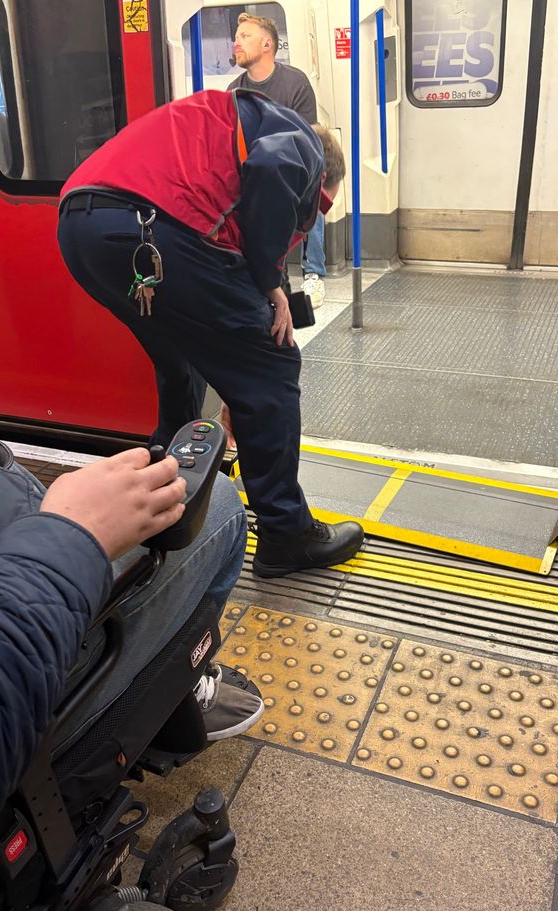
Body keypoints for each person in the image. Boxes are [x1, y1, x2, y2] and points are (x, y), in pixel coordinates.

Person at [0, 406, 261, 864]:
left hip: (15, 558)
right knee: (222, 506)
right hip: (31, 661)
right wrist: (76, 532)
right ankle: (181, 685)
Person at [57, 87, 363, 578]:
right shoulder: (303, 142)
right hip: (149, 226)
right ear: (322, 178)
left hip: (81, 225)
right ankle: (286, 534)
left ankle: (166, 498)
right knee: (272, 364)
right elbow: (274, 166)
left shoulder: (228, 124)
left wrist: (235, 378)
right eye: (316, 204)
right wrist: (270, 281)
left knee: (179, 354)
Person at [227, 13, 328, 308]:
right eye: (236, 37)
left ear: (267, 44)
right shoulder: (234, 90)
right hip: (253, 170)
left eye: (245, 36)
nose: (236, 43)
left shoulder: (295, 83)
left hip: (293, 167)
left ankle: (314, 272)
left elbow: (308, 139)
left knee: (312, 195)